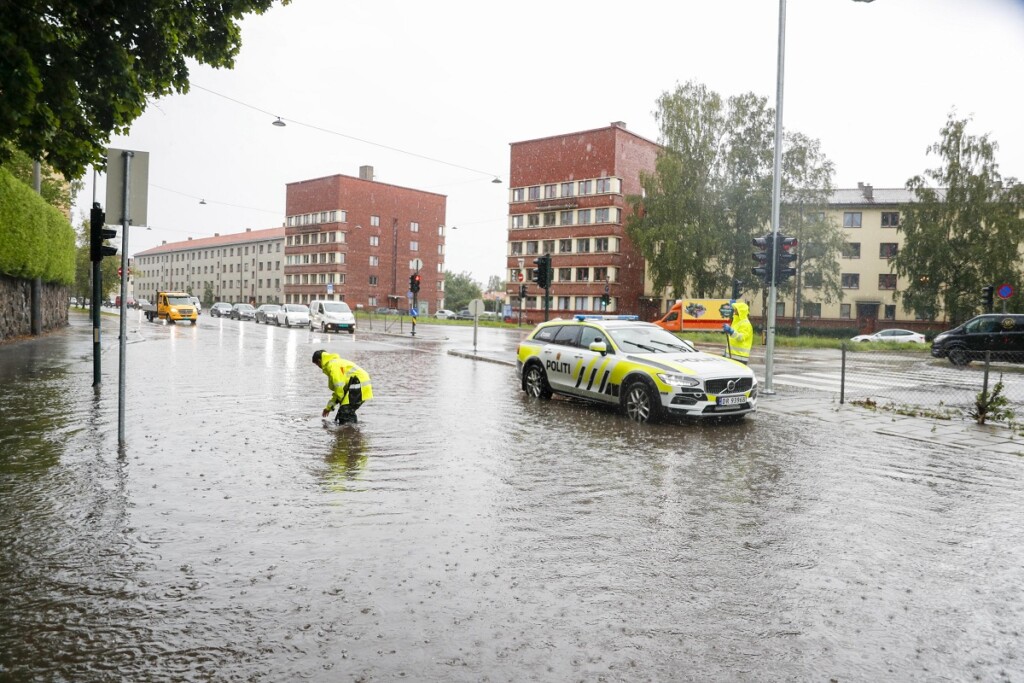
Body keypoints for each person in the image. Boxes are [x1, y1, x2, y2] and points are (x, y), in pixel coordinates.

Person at [312, 349, 373, 423]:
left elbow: (339, 388)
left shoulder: (332, 366)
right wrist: (328, 408)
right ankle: (353, 431)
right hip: (357, 385)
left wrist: (337, 402)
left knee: (345, 412)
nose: (318, 367)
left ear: (319, 361)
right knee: (346, 411)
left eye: (317, 364)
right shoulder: (334, 364)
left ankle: (349, 431)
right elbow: (339, 391)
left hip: (358, 384)